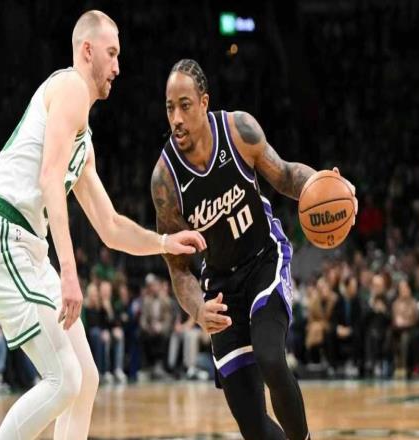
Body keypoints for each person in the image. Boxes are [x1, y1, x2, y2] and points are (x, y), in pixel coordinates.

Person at [0, 13, 205, 440]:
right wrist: (70, 273)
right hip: (2, 234)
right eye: (112, 54)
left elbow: (110, 226)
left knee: (87, 378)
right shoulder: (71, 87)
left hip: (26, 245)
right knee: (65, 379)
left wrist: (166, 241)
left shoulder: (84, 138)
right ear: (87, 50)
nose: (118, 67)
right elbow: (49, 178)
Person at [151, 59, 358, 440]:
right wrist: (198, 309)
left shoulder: (238, 130)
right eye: (169, 107)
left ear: (204, 103)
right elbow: (178, 267)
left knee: (271, 358)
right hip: (220, 287)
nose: (176, 118)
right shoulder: (165, 180)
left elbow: (285, 175)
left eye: (184, 105)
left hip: (264, 259)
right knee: (252, 425)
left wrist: (325, 185)